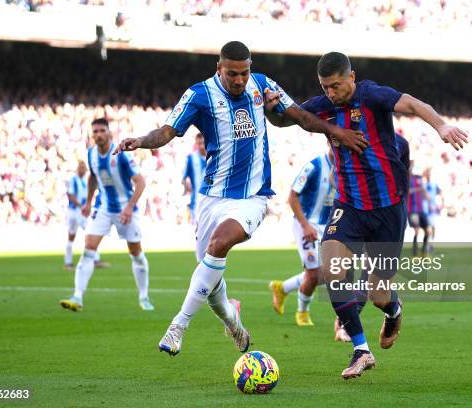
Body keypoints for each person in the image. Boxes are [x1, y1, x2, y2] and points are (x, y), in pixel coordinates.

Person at [114, 41, 366, 357]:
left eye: (244, 73)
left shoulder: (263, 85)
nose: (239, 80)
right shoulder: (199, 95)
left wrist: (335, 131)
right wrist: (140, 140)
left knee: (219, 244)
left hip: (252, 197)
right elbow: (167, 132)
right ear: (219, 69)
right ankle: (234, 322)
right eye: (232, 74)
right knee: (211, 283)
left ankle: (178, 325)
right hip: (211, 197)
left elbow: (299, 116)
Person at [265, 52, 467, 379]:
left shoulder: (371, 95)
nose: (330, 93)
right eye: (325, 87)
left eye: (335, 86)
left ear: (351, 77)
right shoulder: (323, 106)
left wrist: (442, 125)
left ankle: (394, 310)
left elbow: (414, 105)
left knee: (377, 294)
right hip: (350, 206)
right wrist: (271, 107)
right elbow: (290, 118)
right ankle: (361, 350)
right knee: (332, 268)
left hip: (388, 210)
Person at [60, 118, 154, 312]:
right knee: (88, 249)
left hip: (126, 210)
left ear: (109, 133)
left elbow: (141, 182)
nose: (99, 134)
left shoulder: (122, 155)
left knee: (136, 254)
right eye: (95, 131)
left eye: (102, 130)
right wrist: (87, 202)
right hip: (102, 208)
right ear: (91, 134)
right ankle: (77, 297)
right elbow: (93, 177)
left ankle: (144, 297)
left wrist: (129, 207)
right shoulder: (91, 154)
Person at [269, 145, 334, 327]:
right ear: (329, 142)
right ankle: (302, 313)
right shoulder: (314, 166)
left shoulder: (347, 168)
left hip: (328, 227)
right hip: (306, 224)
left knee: (329, 273)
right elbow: (292, 196)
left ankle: (282, 288)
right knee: (313, 274)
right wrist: (306, 225)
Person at [64, 160, 110, 270]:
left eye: (84, 168)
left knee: (92, 232)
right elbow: (70, 195)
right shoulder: (73, 179)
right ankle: (68, 262)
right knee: (72, 236)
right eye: (82, 167)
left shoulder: (86, 179)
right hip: (74, 211)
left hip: (82, 211)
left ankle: (95, 259)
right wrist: (81, 206)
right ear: (78, 168)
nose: (84, 170)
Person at [407, 162, 431, 256]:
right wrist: (418, 189)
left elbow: (423, 191)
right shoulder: (408, 180)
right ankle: (415, 252)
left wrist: (427, 196)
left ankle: (424, 251)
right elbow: (407, 192)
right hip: (412, 209)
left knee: (427, 231)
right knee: (417, 230)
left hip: (420, 209)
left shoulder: (420, 179)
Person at [182, 133, 207, 225]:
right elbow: (184, 178)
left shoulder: (215, 157)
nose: (201, 145)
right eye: (199, 143)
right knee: (199, 233)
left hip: (212, 201)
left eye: (203, 142)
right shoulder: (191, 158)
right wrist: (186, 185)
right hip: (196, 202)